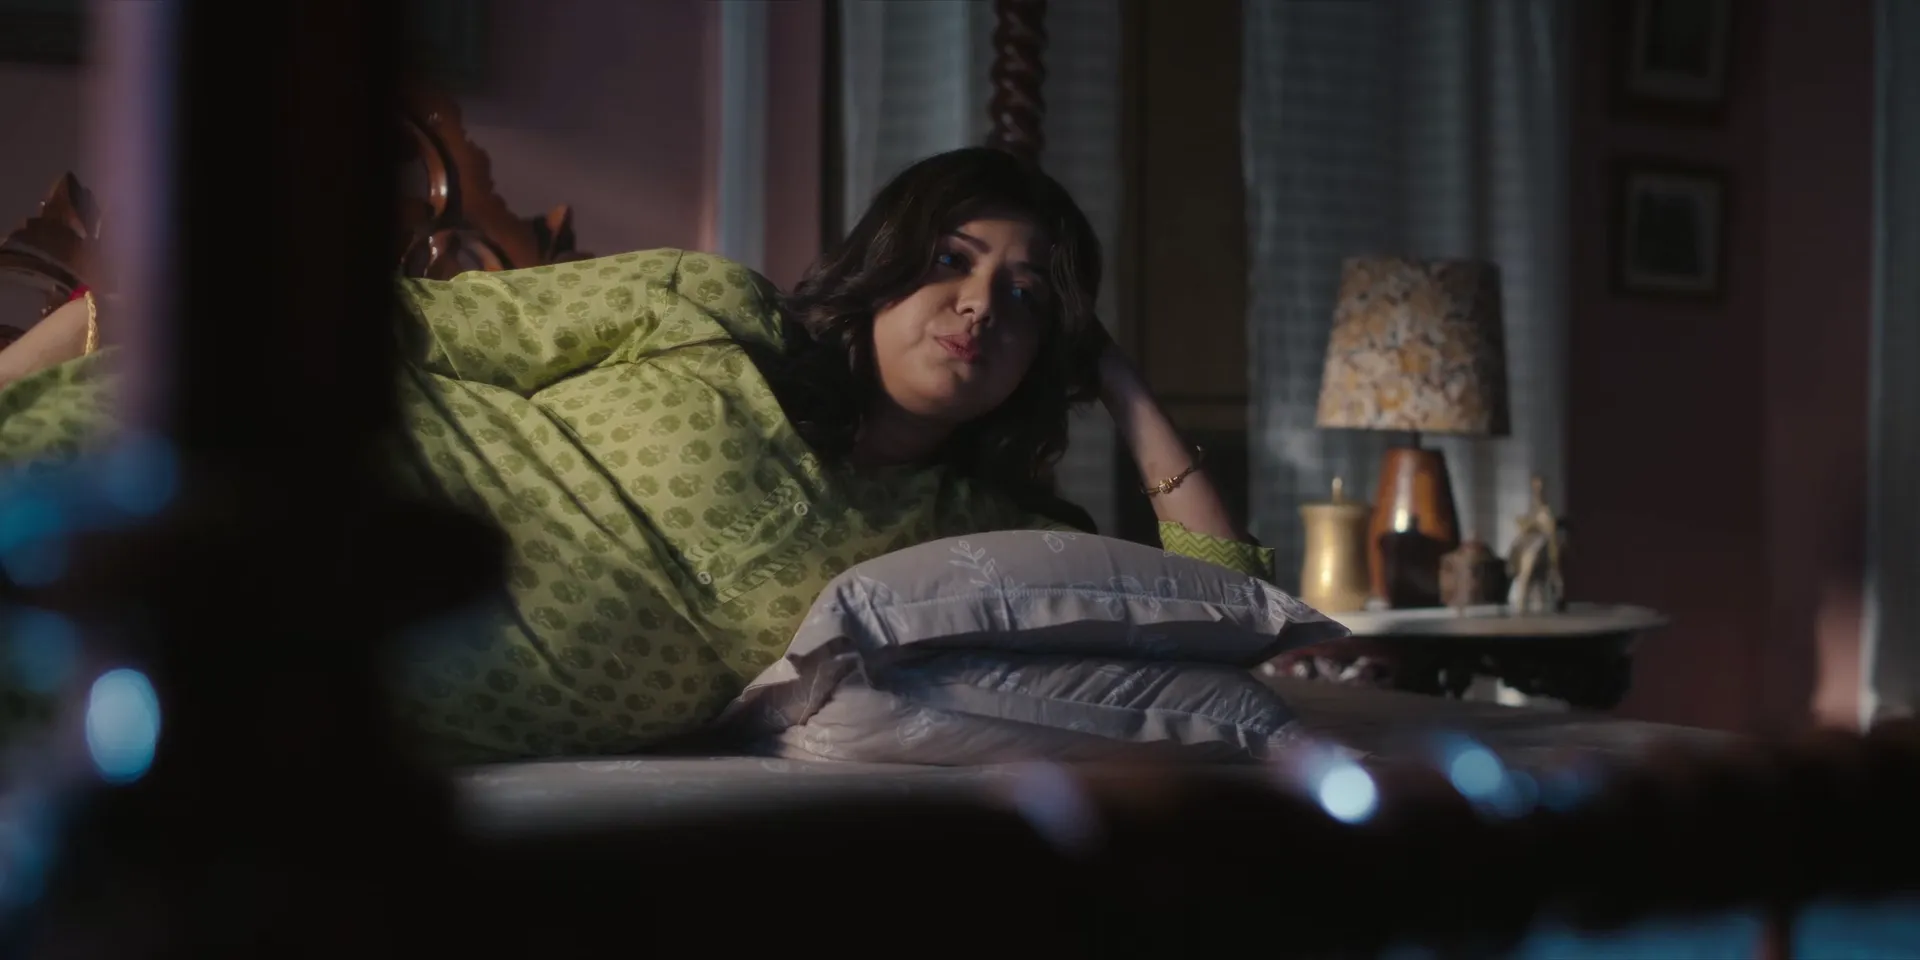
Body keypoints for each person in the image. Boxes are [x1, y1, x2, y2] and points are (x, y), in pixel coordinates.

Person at [0, 147, 1272, 763]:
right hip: (306, 478)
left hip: (356, 689)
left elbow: (1222, 610)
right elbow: (393, 324)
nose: (982, 305)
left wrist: (1120, 378)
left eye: (1029, 295)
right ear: (888, 261)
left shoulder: (964, 533)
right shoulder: (710, 308)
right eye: (952, 260)